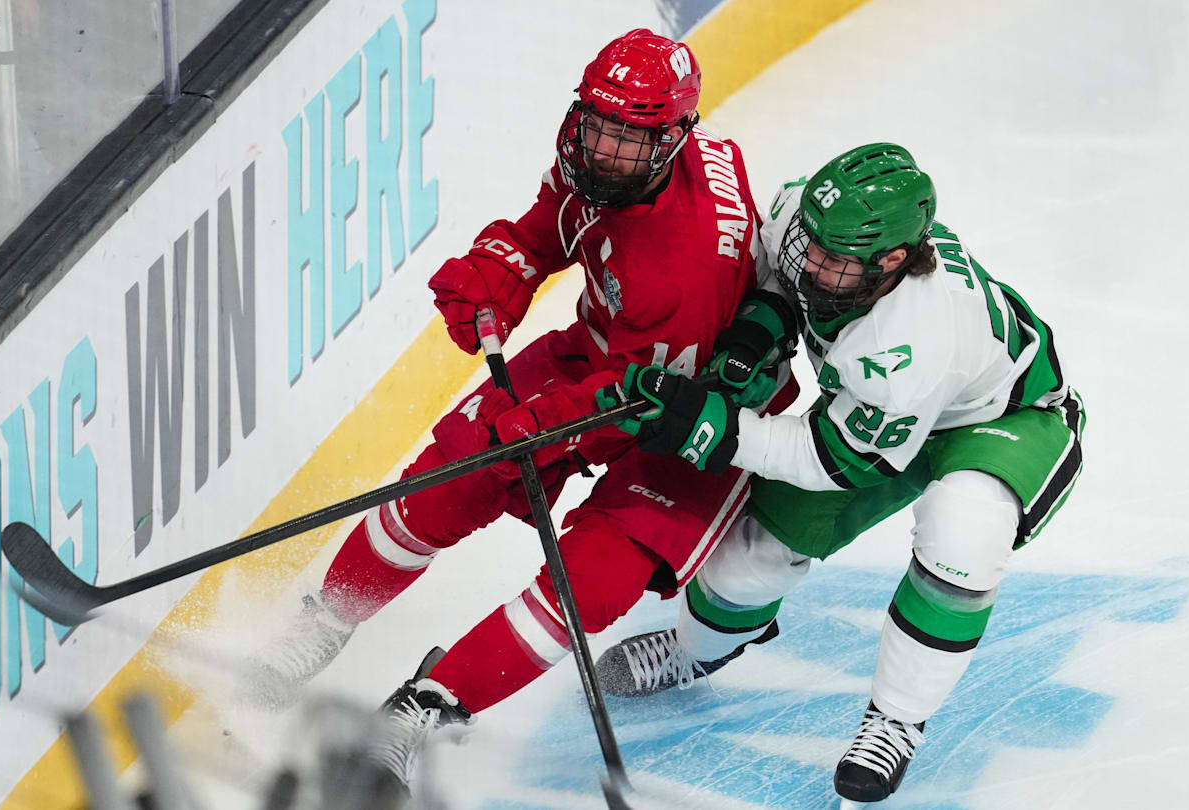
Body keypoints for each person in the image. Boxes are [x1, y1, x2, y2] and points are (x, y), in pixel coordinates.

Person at [247, 28, 797, 792]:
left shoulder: (683, 267)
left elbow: (637, 404)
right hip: (604, 359)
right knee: (446, 481)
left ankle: (429, 703)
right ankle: (327, 620)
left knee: (593, 581)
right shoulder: (610, 162)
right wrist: (498, 270)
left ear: (671, 141)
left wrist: (540, 429)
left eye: (625, 139)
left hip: (699, 415)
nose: (601, 149)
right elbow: (546, 230)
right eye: (595, 125)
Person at [592, 143, 1085, 804]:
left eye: (831, 257)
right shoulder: (817, 224)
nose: (809, 259)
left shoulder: (910, 341)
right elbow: (778, 271)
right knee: (743, 563)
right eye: (810, 241)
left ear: (891, 263)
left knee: (963, 536)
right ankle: (697, 651)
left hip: (1006, 416)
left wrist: (717, 431)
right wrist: (753, 335)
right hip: (884, 414)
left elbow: (835, 460)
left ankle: (896, 720)